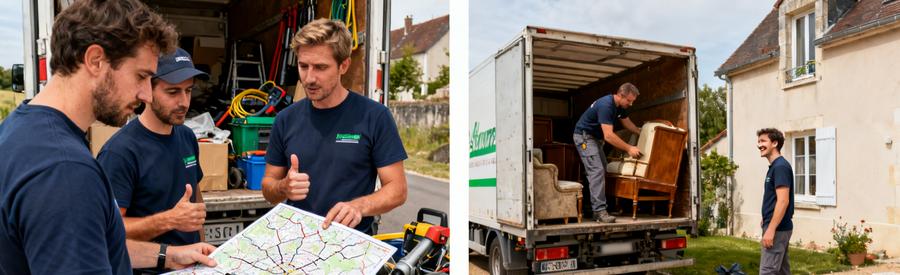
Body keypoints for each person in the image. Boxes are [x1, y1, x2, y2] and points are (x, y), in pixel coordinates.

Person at [0, 0, 215, 273]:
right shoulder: (65, 171)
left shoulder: (18, 131)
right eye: (141, 76)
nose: (145, 95)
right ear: (95, 61)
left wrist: (170, 256)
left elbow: (101, 245)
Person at [260, 19, 407, 235]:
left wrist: (359, 206)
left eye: (320, 67)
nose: (309, 78)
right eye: (303, 66)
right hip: (297, 240)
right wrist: (283, 187)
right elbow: (268, 187)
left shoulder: (374, 116)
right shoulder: (285, 119)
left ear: (343, 66)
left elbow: (397, 189)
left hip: (351, 247)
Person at [98, 48, 208, 249]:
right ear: (147, 90)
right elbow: (107, 229)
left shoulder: (187, 136)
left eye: (189, 90)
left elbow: (195, 202)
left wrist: (202, 247)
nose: (184, 102)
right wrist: (170, 220)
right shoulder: (120, 152)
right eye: (173, 91)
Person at [572, 82, 643, 223]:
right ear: (620, 95)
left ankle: (589, 207)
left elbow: (626, 122)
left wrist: (640, 131)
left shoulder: (620, 107)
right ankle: (599, 212)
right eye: (629, 101)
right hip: (585, 138)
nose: (631, 104)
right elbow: (609, 136)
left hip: (595, 139)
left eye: (633, 101)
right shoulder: (606, 105)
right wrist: (629, 148)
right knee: (596, 171)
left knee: (602, 169)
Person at [756, 128, 794, 274]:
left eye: (763, 141)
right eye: (758, 141)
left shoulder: (780, 167)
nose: (759, 145)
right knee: (782, 271)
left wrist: (771, 229)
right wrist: (765, 218)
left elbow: (783, 201)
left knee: (768, 271)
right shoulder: (775, 167)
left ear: (775, 143)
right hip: (777, 225)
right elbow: (774, 198)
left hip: (777, 229)